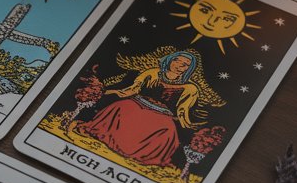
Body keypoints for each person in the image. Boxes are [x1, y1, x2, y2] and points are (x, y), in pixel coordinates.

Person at [75, 48, 221, 167]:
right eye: (177, 59)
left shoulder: (190, 88)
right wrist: (106, 90)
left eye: (185, 64)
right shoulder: (151, 73)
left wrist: (187, 125)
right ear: (170, 59)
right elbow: (131, 89)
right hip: (137, 102)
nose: (179, 64)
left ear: (189, 70)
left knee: (168, 130)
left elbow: (182, 110)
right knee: (120, 107)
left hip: (163, 114)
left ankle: (139, 155)